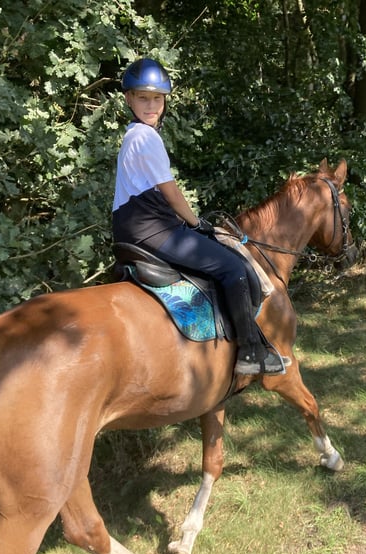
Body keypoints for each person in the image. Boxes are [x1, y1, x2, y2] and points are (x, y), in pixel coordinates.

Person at [111, 57, 284, 376]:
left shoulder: (132, 134)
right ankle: (249, 351)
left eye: (157, 98)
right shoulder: (146, 137)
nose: (151, 105)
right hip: (150, 229)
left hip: (136, 226)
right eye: (143, 97)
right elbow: (172, 193)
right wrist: (195, 223)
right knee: (233, 268)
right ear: (128, 99)